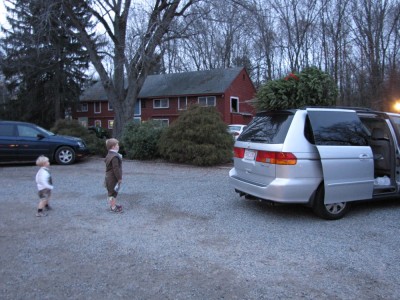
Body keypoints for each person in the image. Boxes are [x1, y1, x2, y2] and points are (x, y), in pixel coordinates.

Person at [104, 138, 123, 213]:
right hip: (113, 177)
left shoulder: (110, 154)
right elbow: (116, 169)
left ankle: (113, 204)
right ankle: (113, 207)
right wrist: (119, 178)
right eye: (117, 145)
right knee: (112, 192)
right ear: (113, 147)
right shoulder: (114, 157)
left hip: (109, 177)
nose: (118, 146)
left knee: (113, 191)